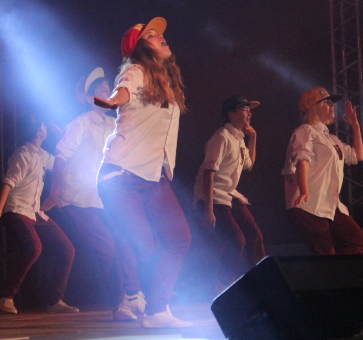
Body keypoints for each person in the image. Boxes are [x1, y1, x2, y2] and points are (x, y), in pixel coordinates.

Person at [95, 17, 193, 329]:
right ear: (140, 49)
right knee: (145, 244)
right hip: (121, 176)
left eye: (159, 34)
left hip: (153, 177)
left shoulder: (166, 83)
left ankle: (156, 309)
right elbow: (123, 91)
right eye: (151, 35)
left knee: (179, 237)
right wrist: (113, 100)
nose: (160, 37)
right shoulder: (135, 71)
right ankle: (134, 298)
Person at [40, 68, 144, 321]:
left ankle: (128, 297)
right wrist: (55, 192)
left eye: (110, 90)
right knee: (106, 246)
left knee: (124, 241)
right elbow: (61, 157)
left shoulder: (113, 124)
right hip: (76, 196)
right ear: (90, 98)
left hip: (100, 197)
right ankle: (113, 299)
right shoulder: (81, 123)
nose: (109, 94)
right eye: (103, 90)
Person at [0, 115, 79, 315]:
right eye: (43, 126)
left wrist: (63, 135)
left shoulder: (42, 155)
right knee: (33, 247)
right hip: (17, 210)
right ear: (37, 131)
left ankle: (54, 301)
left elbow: (65, 162)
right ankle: (5, 296)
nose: (45, 129)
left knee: (67, 248)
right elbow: (8, 182)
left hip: (35, 212)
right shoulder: (23, 154)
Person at [282, 87, 363, 256]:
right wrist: (304, 190)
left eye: (332, 103)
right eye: (327, 103)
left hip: (328, 204)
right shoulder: (305, 130)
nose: (332, 106)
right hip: (308, 204)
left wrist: (356, 126)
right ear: (314, 107)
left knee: (356, 239)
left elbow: (357, 156)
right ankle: (332, 272)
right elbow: (302, 160)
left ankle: (339, 272)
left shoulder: (331, 139)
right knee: (326, 252)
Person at [193, 95, 266, 290]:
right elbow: (209, 172)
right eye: (245, 109)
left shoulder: (239, 138)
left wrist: (253, 138)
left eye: (249, 110)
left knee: (255, 234)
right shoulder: (222, 136)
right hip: (213, 196)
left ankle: (260, 281)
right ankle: (222, 284)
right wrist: (209, 209)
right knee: (236, 240)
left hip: (229, 194)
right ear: (231, 114)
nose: (249, 114)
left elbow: (249, 165)